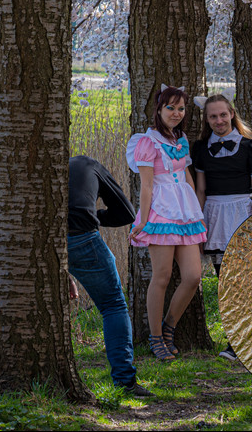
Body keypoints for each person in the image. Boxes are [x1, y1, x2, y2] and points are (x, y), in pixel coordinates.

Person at [127, 84, 207, 362]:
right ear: (159, 110)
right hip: (160, 211)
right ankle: (155, 337)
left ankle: (170, 327)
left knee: (193, 276)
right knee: (160, 277)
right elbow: (146, 186)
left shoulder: (180, 139)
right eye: (170, 107)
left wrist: (195, 211)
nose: (175, 113)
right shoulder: (146, 142)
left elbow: (186, 176)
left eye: (181, 108)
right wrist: (145, 220)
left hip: (184, 212)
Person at [67, 155, 153, 397]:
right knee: (113, 306)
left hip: (43, 244)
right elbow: (126, 212)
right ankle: (125, 382)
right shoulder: (87, 164)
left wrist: (63, 271)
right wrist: (95, 216)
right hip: (83, 238)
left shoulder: (38, 176)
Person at [191, 94, 252, 362]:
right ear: (207, 119)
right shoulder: (200, 148)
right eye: (213, 116)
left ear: (232, 113)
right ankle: (236, 337)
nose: (219, 120)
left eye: (223, 115)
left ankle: (248, 338)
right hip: (214, 216)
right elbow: (200, 189)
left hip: (241, 215)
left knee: (244, 281)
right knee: (226, 281)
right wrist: (199, 223)